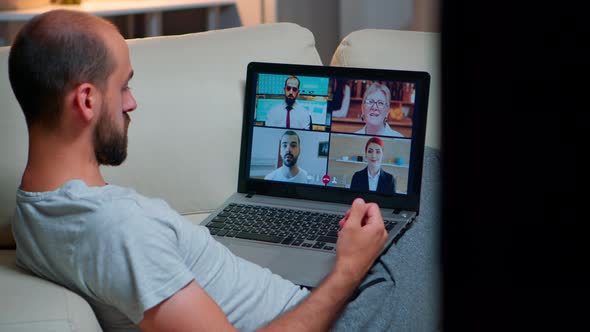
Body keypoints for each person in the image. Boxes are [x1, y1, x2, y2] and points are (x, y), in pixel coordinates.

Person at [8, 10, 396, 331]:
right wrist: (349, 269)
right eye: (124, 86)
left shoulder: (31, 209)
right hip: (342, 317)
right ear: (87, 100)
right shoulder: (121, 228)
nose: (132, 103)